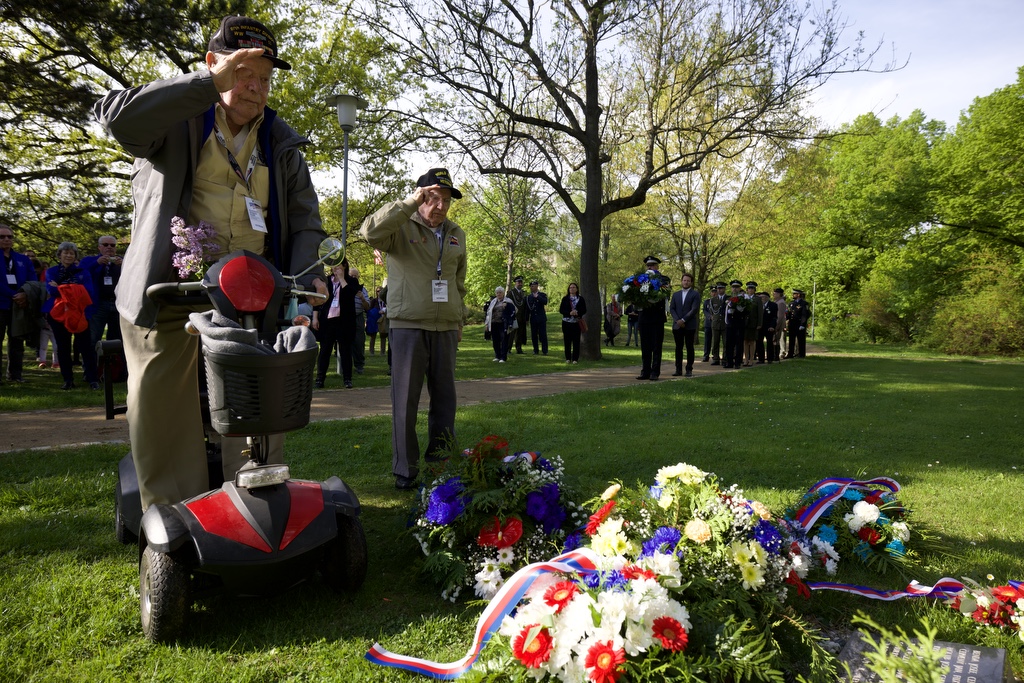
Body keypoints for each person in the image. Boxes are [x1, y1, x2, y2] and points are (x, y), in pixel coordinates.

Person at [93, 15, 328, 510]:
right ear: (213, 64)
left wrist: (307, 285)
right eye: (244, 72)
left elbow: (307, 222)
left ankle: (255, 503)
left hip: (248, 295)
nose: (256, 87)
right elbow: (118, 119)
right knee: (162, 406)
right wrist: (207, 86)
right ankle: (173, 521)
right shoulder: (176, 119)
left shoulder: (281, 143)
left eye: (265, 77)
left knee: (257, 395)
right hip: (169, 292)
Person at [361, 167, 467, 490]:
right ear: (420, 196)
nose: (440, 206)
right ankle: (405, 471)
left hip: (445, 328)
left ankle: (440, 465)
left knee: (445, 401)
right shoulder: (400, 227)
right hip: (408, 327)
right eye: (433, 198)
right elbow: (369, 232)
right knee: (405, 401)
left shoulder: (456, 233)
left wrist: (459, 317)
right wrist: (408, 204)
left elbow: (458, 281)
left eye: (446, 200)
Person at [44, 242, 99, 390]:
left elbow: (87, 292)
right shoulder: (52, 271)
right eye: (65, 253)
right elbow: (51, 290)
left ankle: (93, 379)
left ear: (75, 256)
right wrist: (75, 288)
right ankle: (67, 379)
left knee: (86, 347)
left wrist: (61, 287)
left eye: (71, 253)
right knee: (63, 347)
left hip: (80, 313)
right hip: (58, 314)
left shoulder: (83, 272)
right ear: (59, 255)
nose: (68, 255)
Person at [312, 260, 359, 389]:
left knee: (345, 350)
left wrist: (342, 279)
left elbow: (350, 294)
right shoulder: (326, 281)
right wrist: (315, 318)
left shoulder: (351, 281)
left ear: (344, 266)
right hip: (328, 320)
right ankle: (320, 379)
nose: (335, 268)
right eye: (333, 266)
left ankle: (347, 379)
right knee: (325, 351)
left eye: (338, 265)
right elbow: (317, 300)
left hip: (344, 321)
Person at [0, 223, 35, 385]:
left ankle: (15, 374)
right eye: (2, 237)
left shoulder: (22, 259)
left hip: (19, 306)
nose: (6, 239)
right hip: (2, 304)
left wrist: (25, 294)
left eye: (9, 237)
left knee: (17, 341)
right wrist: (13, 294)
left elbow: (32, 280)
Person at [79, 235, 122, 347]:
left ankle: (112, 364)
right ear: (99, 247)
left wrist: (124, 266)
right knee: (93, 337)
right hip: (98, 304)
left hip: (118, 304)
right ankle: (91, 364)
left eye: (112, 245)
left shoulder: (122, 262)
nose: (109, 247)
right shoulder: (89, 261)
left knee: (116, 339)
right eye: (105, 244)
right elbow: (80, 275)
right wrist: (97, 263)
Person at [636, 255, 670, 380]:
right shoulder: (640, 279)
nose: (649, 267)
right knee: (645, 346)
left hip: (657, 317)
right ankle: (645, 371)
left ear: (657, 266)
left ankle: (655, 372)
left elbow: (665, 294)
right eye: (648, 265)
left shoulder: (664, 279)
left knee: (656, 346)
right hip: (644, 317)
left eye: (652, 265)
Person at [669, 273, 700, 377]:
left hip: (689, 325)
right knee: (678, 348)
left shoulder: (695, 294)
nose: (686, 282)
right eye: (684, 280)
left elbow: (694, 309)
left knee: (689, 347)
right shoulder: (676, 294)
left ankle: (689, 369)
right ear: (681, 281)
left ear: (691, 282)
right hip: (677, 325)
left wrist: (683, 320)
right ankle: (678, 369)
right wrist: (678, 320)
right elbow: (672, 308)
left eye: (688, 281)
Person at [485, 285, 516, 362]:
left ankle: (503, 357)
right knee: (495, 340)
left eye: (500, 292)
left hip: (504, 324)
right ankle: (497, 355)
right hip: (494, 323)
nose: (499, 294)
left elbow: (515, 310)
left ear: (503, 293)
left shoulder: (508, 301)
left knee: (504, 340)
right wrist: (486, 323)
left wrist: (507, 306)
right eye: (497, 293)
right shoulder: (493, 301)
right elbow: (488, 313)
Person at [349, 266, 369, 374]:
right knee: (346, 342)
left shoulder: (362, 290)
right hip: (346, 317)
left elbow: (367, 307)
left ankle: (359, 365)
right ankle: (345, 366)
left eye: (355, 276)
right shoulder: (343, 287)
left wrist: (362, 298)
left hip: (358, 317)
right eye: (351, 276)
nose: (353, 278)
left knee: (359, 342)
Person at [559, 282, 586, 363]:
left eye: (574, 287)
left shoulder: (581, 299)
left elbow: (584, 310)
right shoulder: (565, 299)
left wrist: (577, 312)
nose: (572, 289)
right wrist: (569, 313)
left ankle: (575, 359)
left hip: (576, 323)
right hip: (566, 322)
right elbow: (561, 310)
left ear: (577, 289)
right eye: (570, 287)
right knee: (567, 341)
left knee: (576, 341)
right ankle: (568, 358)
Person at [722, 280, 747, 369]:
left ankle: (737, 362)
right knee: (729, 343)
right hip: (729, 323)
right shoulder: (728, 298)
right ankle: (729, 362)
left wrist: (738, 310)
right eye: (733, 287)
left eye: (737, 287)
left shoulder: (743, 298)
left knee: (739, 343)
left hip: (739, 323)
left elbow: (746, 311)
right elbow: (723, 310)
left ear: (739, 288)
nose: (735, 289)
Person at [526, 279, 549, 355]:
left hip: (541, 318)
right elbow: (528, 308)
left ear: (537, 286)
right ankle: (535, 350)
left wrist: (538, 297)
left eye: (533, 286)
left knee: (543, 335)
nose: (532, 288)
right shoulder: (529, 297)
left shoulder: (542, 295)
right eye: (531, 286)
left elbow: (545, 302)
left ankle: (544, 350)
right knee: (534, 335)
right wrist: (527, 319)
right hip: (533, 318)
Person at [743, 281, 762, 367]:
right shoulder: (743, 298)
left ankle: (751, 359)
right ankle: (746, 359)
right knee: (745, 341)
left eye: (752, 289)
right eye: (749, 289)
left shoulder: (757, 299)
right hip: (744, 323)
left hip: (753, 323)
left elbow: (760, 312)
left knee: (752, 341)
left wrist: (759, 323)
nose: (750, 290)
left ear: (754, 290)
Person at [507, 275, 528, 354]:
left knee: (520, 334)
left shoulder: (523, 293)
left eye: (521, 282)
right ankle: (508, 348)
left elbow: (524, 305)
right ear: (515, 283)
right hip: (514, 316)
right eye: (518, 282)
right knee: (511, 334)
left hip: (521, 317)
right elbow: (508, 304)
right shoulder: (511, 292)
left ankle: (519, 348)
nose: (520, 284)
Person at [788, 288, 811, 358]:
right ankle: (790, 354)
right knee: (791, 340)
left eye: (794, 294)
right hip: (792, 323)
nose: (793, 295)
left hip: (799, 323)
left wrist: (802, 324)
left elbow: (805, 314)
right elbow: (790, 313)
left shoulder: (804, 303)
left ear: (798, 295)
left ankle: (801, 354)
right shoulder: (792, 303)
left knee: (801, 340)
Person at [757, 292, 779, 363]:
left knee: (769, 342)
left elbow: (774, 317)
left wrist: (772, 326)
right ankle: (761, 358)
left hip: (769, 327)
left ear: (766, 297)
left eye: (762, 297)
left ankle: (770, 358)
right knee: (759, 342)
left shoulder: (773, 305)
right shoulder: (759, 305)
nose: (761, 299)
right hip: (760, 327)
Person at [773, 288, 788, 361]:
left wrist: (777, 325)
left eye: (775, 293)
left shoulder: (781, 303)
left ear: (779, 294)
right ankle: (774, 355)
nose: (773, 294)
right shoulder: (777, 301)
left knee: (776, 339)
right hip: (776, 322)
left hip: (778, 323)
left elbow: (780, 315)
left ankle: (776, 356)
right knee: (774, 340)